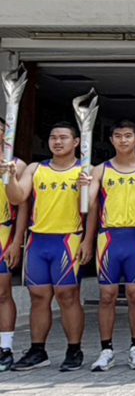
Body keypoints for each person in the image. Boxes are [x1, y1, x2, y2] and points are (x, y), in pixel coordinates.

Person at [80, 119, 135, 371]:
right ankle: (106, 350)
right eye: (118, 135)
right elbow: (91, 206)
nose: (123, 140)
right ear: (111, 140)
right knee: (107, 296)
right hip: (108, 238)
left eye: (128, 135)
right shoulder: (100, 170)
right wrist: (87, 238)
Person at [4, 122, 86, 372]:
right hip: (38, 241)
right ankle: (38, 350)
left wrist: (86, 188)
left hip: (67, 240)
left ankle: (74, 350)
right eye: (53, 137)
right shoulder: (35, 168)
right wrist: (9, 178)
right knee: (38, 297)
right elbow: (18, 197)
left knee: (67, 296)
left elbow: (91, 208)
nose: (57, 142)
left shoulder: (85, 170)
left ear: (76, 142)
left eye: (63, 137)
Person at [0, 117, 28, 370]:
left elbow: (22, 204)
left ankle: (5, 347)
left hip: (3, 232)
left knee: (2, 293)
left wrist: (18, 239)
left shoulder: (16, 165)